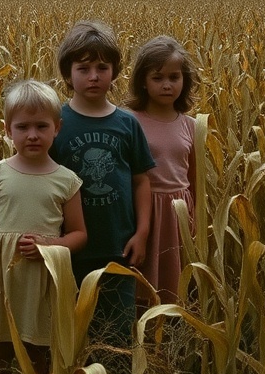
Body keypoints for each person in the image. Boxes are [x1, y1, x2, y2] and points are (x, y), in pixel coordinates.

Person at [0, 79, 87, 374]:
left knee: (39, 353)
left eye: (41, 126)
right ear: (7, 130)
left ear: (56, 129)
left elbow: (78, 234)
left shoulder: (67, 180)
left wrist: (52, 245)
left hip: (43, 279)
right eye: (22, 127)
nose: (32, 134)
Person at [51, 20, 154, 355]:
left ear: (114, 72)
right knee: (71, 336)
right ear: (68, 75)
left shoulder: (127, 123)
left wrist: (141, 232)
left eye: (102, 67)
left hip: (117, 248)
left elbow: (141, 180)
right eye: (83, 68)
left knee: (117, 337)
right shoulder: (56, 125)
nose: (93, 76)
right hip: (69, 252)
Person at [126, 35, 198, 304]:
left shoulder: (190, 125)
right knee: (142, 279)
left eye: (174, 77)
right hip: (144, 211)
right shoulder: (129, 120)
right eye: (157, 78)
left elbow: (193, 179)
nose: (167, 85)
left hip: (178, 212)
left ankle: (171, 334)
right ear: (143, 81)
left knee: (174, 278)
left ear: (184, 80)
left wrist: (196, 218)